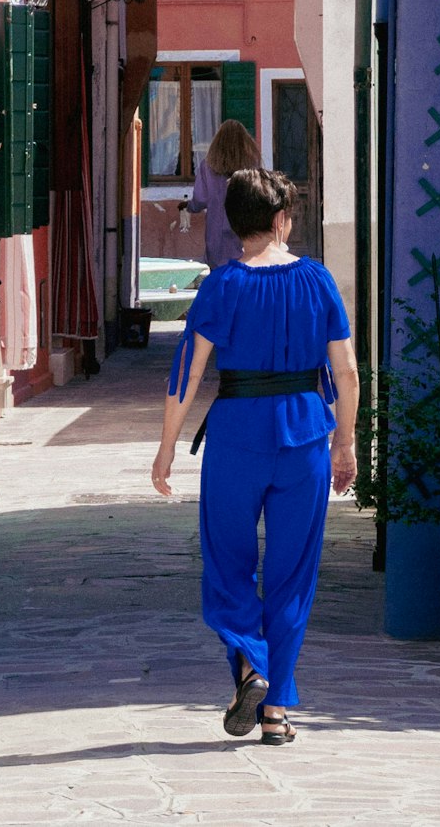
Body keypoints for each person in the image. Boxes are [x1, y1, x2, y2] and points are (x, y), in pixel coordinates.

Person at [152, 168, 359, 745]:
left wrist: (167, 449)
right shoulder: (318, 281)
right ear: (281, 220)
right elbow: (346, 371)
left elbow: (185, 375)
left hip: (237, 438)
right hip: (305, 440)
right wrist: (345, 443)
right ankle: (275, 713)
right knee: (293, 576)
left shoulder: (221, 285)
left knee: (227, 565)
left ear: (234, 223)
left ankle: (252, 666)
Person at [178, 119, 262, 269]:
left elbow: (200, 199)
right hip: (245, 227)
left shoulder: (207, 166)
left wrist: (189, 206)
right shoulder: (253, 165)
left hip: (216, 230)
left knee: (218, 275)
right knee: (244, 271)